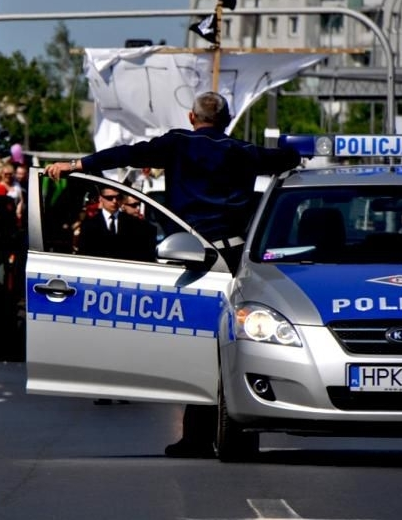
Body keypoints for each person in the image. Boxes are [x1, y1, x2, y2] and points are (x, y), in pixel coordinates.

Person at [44, 91, 301, 458]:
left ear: (191, 117)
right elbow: (285, 158)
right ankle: (231, 432)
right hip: (234, 258)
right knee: (230, 344)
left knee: (190, 343)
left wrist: (78, 165)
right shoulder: (243, 152)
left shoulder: (177, 145)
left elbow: (126, 154)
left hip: (188, 254)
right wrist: (296, 151)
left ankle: (195, 437)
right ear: (227, 120)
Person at [76, 186, 153, 262]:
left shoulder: (134, 223)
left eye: (118, 197)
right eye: (109, 198)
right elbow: (83, 254)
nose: (114, 201)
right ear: (101, 198)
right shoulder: (89, 225)